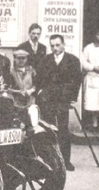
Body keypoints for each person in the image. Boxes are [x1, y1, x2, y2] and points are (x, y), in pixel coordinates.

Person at [35, 34, 82, 171]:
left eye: (57, 45)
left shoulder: (73, 60)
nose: (55, 48)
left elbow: (76, 81)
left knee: (63, 129)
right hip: (47, 101)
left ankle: (65, 161)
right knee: (47, 129)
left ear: (63, 45)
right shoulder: (45, 60)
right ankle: (49, 161)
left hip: (63, 100)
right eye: (52, 45)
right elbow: (39, 80)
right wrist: (40, 93)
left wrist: (73, 99)